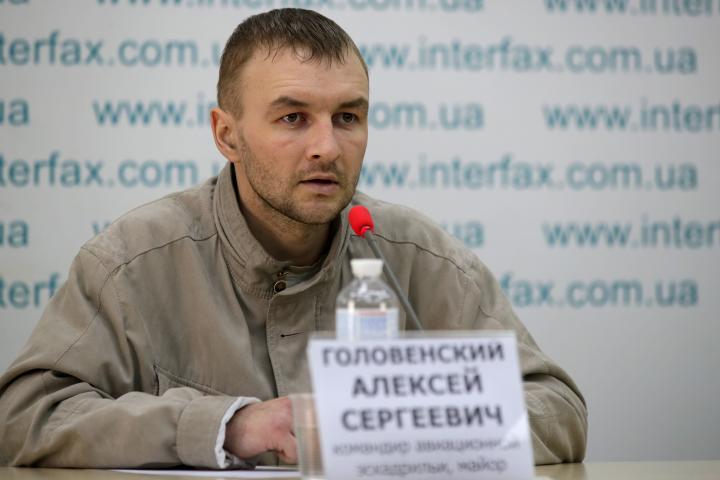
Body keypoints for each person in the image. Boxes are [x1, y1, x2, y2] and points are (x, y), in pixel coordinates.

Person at [0, 9, 587, 468]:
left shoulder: (415, 255)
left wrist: (408, 424)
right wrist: (227, 426)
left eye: (348, 117)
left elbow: (558, 412)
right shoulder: (133, 261)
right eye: (292, 118)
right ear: (226, 135)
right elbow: (23, 418)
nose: (327, 148)